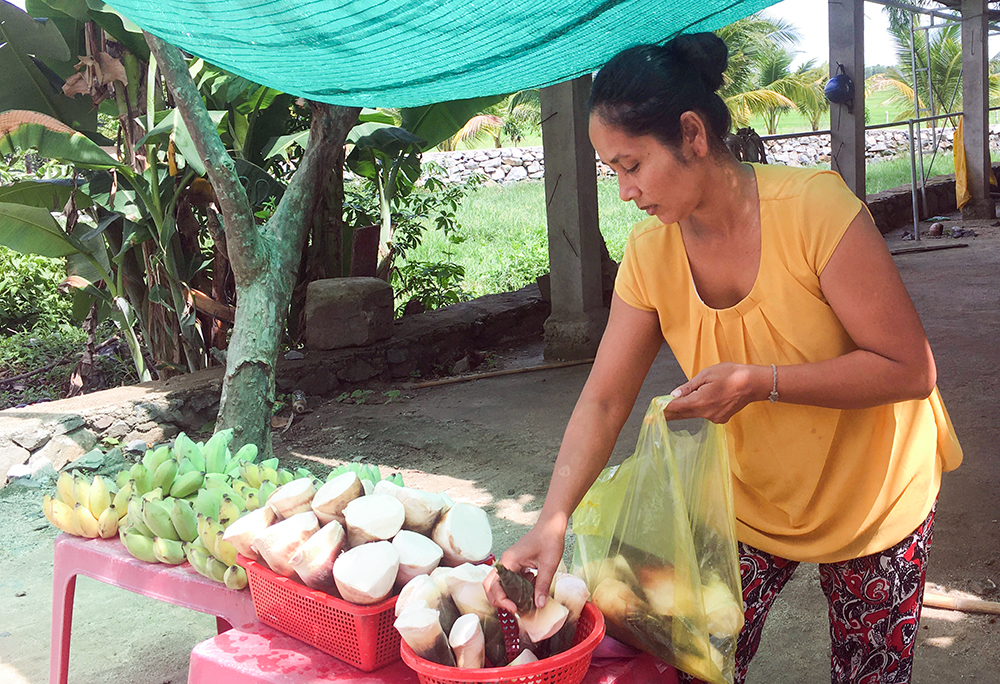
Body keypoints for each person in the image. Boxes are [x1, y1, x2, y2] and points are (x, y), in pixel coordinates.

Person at [484, 33, 962, 684]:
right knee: (691, 663)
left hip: (876, 493)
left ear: (692, 134)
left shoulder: (815, 211)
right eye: (612, 172)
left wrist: (760, 382)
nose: (625, 193)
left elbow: (909, 368)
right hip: (752, 500)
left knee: (869, 673)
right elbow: (602, 400)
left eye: (632, 165)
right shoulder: (652, 258)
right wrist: (552, 518)